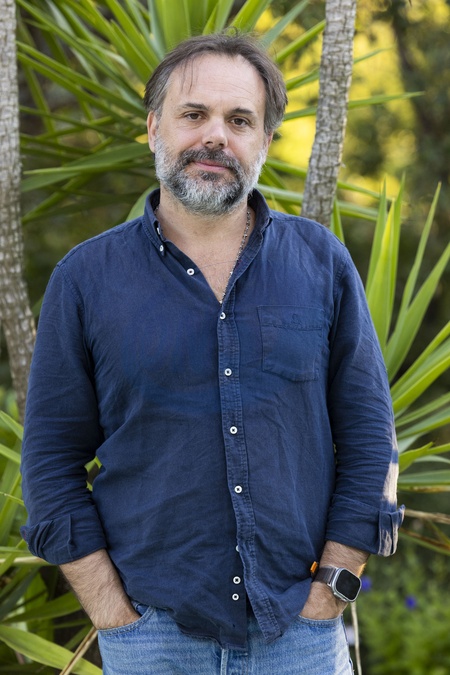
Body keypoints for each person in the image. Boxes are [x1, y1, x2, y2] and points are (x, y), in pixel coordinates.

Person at [20, 33, 404, 674]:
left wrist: (332, 591)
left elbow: (370, 437)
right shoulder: (85, 280)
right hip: (152, 640)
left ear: (265, 141)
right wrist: (112, 613)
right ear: (154, 128)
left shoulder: (321, 264)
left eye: (240, 120)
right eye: (194, 114)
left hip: (301, 635)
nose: (216, 137)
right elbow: (51, 462)